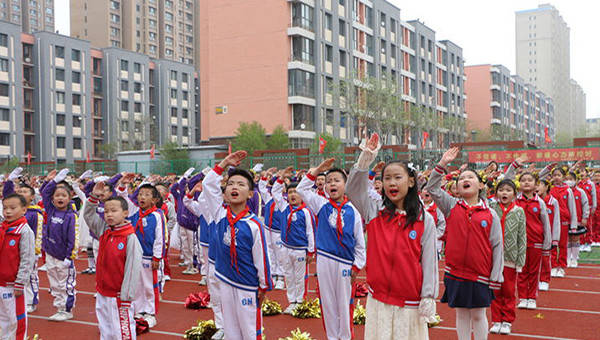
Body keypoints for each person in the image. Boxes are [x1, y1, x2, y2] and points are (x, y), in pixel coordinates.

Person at [346, 134, 438, 340]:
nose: (392, 183)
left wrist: (428, 295)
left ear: (412, 181)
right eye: (387, 178)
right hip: (379, 301)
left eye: (398, 177)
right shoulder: (374, 211)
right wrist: (365, 158)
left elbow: (430, 261)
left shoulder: (424, 219)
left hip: (409, 304)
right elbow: (352, 189)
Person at [424, 147, 503, 340]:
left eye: (471, 177)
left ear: (481, 186)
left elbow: (497, 246)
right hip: (456, 271)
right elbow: (432, 188)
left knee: (478, 314)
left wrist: (496, 275)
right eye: (461, 179)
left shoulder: (490, 214)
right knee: (461, 313)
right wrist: (442, 164)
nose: (465, 180)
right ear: (457, 188)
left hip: (480, 273)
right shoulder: (451, 206)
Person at [196, 151, 272, 340]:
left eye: (241, 184)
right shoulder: (219, 214)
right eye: (230, 184)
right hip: (225, 281)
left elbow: (262, 258)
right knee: (231, 331)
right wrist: (224, 164)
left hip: (247, 285)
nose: (234, 187)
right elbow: (208, 184)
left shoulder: (254, 225)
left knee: (250, 331)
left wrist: (264, 286)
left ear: (251, 193)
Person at [297, 158, 366, 340]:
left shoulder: (354, 211)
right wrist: (317, 169)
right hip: (325, 260)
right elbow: (301, 190)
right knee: (327, 303)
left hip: (345, 263)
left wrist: (356, 266)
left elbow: (360, 244)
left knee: (344, 304)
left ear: (346, 185)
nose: (332, 184)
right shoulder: (321, 205)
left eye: (337, 180)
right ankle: (332, 337)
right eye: (328, 181)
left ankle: (345, 337)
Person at [84, 183, 142, 340]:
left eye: (114, 211)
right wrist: (93, 197)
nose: (109, 215)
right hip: (103, 291)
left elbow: (132, 269)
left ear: (125, 213)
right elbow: (88, 216)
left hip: (119, 295)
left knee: (122, 331)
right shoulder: (104, 231)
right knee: (106, 329)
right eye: (107, 211)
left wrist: (126, 296)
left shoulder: (130, 238)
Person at [117, 174, 165, 328]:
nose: (142, 197)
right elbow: (123, 198)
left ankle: (150, 312)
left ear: (155, 200)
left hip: (150, 257)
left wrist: (157, 257)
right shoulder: (135, 213)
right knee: (136, 284)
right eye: (140, 194)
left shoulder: (157, 215)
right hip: (136, 255)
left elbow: (160, 237)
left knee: (150, 285)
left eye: (147, 195)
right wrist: (124, 185)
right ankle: (138, 309)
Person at [271, 167, 315, 314]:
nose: (292, 195)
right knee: (288, 276)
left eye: (296, 192)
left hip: (300, 250)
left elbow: (310, 232)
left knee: (300, 277)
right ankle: (291, 301)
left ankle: (300, 301)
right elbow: (275, 192)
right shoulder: (284, 207)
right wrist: (281, 177)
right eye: (290, 192)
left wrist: (310, 251)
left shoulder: (306, 212)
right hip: (285, 248)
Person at [3, 168, 43, 313]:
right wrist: (9, 181)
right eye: (20, 191)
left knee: (31, 276)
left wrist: (37, 251)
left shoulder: (35, 212)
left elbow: (38, 232)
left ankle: (32, 300)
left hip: (29, 250)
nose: (21, 193)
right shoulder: (10, 216)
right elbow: (7, 199)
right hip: (13, 253)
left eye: (25, 192)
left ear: (32, 196)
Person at [489, 179, 527, 335]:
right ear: (496, 193)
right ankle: (496, 319)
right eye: (501, 190)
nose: (504, 193)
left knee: (509, 291)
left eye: (508, 190)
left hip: (510, 259)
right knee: (494, 290)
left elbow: (522, 237)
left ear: (515, 194)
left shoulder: (519, 211)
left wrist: (520, 260)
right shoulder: (491, 209)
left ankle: (507, 320)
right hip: (493, 258)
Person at [41, 169, 79, 321]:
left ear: (70, 198)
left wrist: (70, 257)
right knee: (54, 284)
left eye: (63, 195)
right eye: (57, 195)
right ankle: (59, 307)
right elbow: (44, 193)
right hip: (51, 254)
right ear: (53, 199)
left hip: (64, 256)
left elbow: (73, 238)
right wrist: (53, 181)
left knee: (65, 284)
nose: (60, 198)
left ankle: (67, 309)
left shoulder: (70, 216)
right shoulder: (51, 211)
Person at [0, 193, 35, 340]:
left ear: (24, 210)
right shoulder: (2, 228)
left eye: (12, 208)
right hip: (0, 283)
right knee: (3, 319)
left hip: (13, 285)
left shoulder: (24, 231)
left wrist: (20, 282)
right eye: (5, 208)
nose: (7, 211)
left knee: (16, 320)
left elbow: (27, 260)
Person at [547, 168, 577, 277]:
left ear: (563, 177)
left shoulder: (568, 190)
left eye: (559, 175)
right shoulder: (549, 189)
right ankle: (553, 266)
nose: (556, 177)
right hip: (551, 220)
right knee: (553, 244)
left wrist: (573, 225)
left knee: (563, 245)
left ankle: (562, 266)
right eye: (554, 175)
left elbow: (572, 207)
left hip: (563, 221)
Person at [536, 179, 561, 291]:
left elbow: (556, 220)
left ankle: (544, 279)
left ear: (547, 187)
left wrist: (555, 238)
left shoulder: (553, 202)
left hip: (547, 235)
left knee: (546, 258)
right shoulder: (532, 201)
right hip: (534, 235)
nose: (537, 188)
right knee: (533, 260)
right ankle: (535, 280)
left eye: (540, 185)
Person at [565, 172, 589, 268]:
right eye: (567, 179)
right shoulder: (564, 191)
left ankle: (574, 258)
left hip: (578, 220)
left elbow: (585, 204)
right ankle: (567, 258)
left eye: (571, 179)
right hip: (566, 220)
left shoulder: (580, 192)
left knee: (575, 239)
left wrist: (584, 217)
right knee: (567, 239)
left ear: (576, 180)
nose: (568, 181)